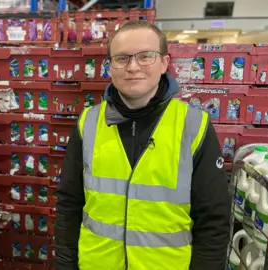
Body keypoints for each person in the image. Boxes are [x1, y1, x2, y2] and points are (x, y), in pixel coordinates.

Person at [55, 21, 231, 270]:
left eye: (145, 56)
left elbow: (213, 220)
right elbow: (69, 204)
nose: (133, 67)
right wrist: (64, 265)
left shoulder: (194, 126)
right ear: (110, 66)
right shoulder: (88, 123)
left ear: (164, 63)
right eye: (122, 58)